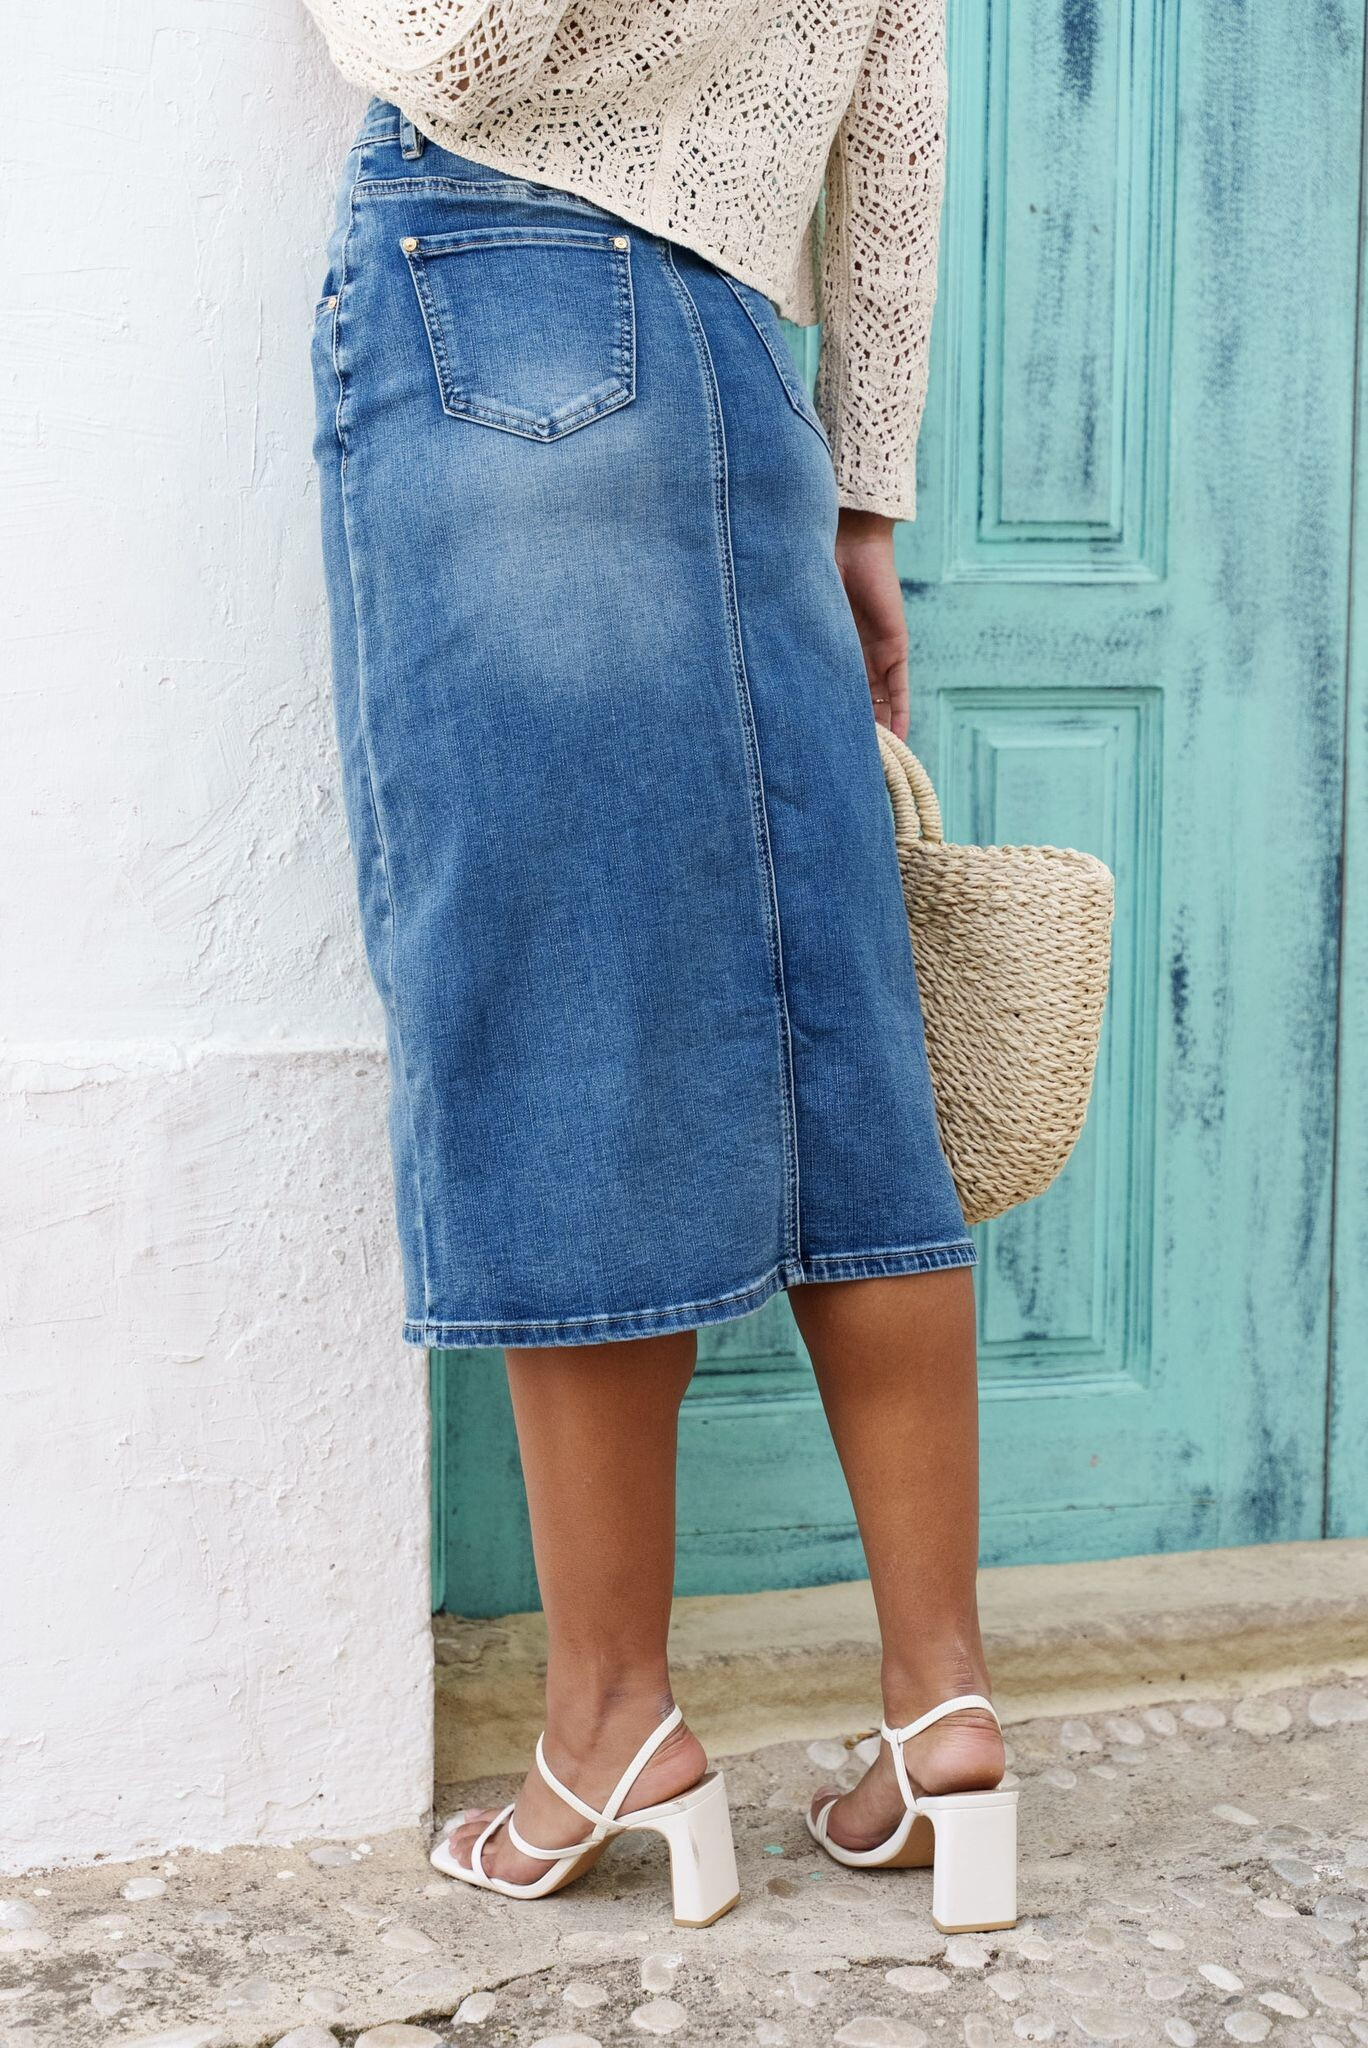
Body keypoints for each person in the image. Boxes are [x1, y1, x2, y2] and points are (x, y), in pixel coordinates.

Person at [302, 0, 1016, 1932]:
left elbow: (449, 41)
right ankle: (943, 1710)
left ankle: (610, 1724)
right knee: (837, 1042)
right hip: (739, 360)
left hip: (492, 298)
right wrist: (867, 497)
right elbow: (898, 136)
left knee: (562, 1021)